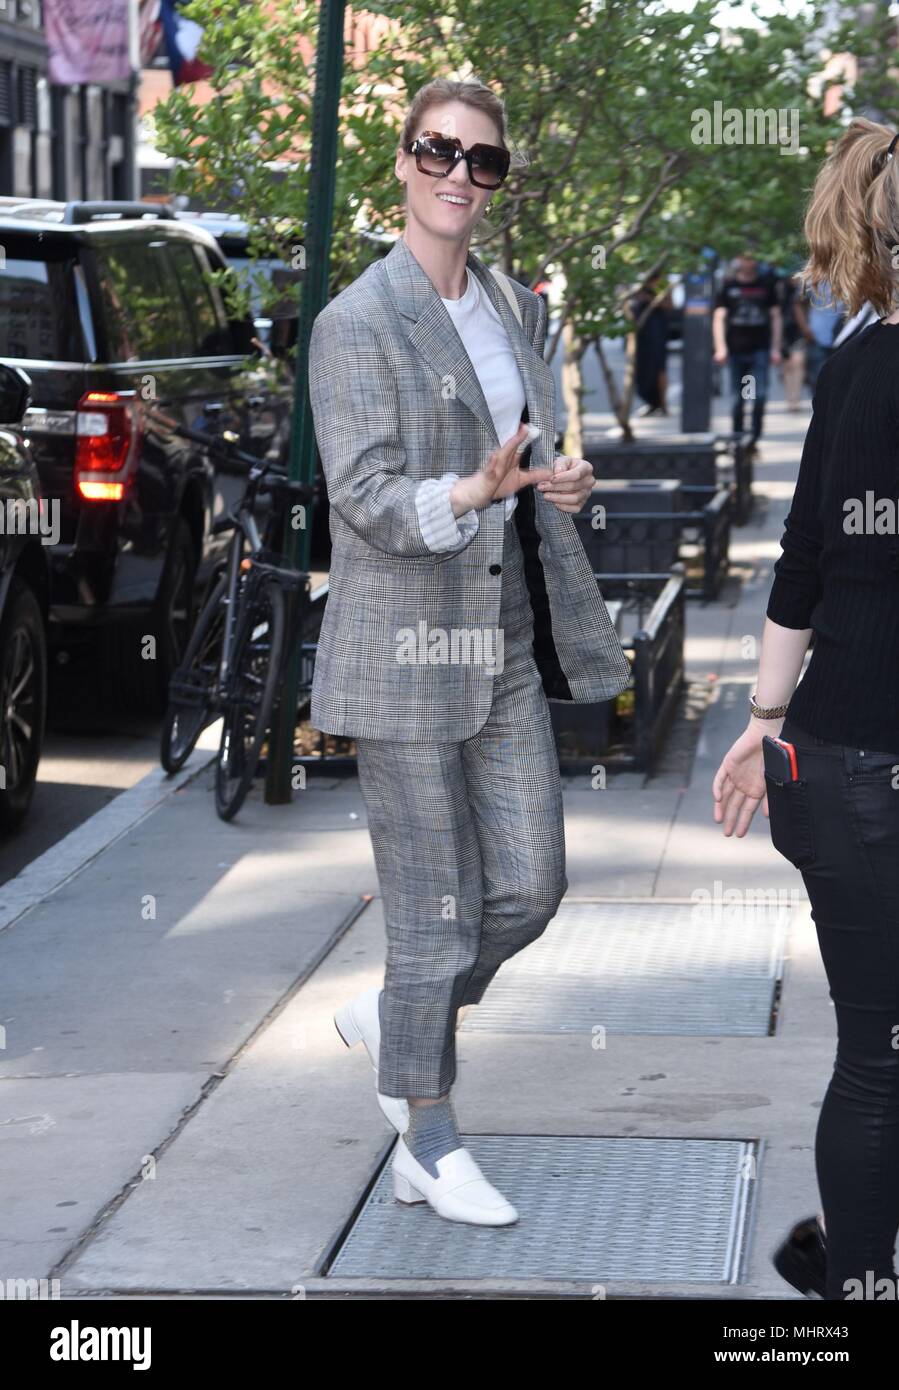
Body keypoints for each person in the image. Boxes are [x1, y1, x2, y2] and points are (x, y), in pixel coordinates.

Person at [308, 77, 631, 1226]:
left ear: (497, 182)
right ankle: (428, 1140)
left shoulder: (511, 306)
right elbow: (362, 498)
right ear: (401, 163)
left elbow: (524, 449)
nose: (458, 173)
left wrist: (554, 480)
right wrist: (471, 487)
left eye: (481, 160)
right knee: (435, 910)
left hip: (499, 637)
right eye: (438, 151)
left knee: (532, 885)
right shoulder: (355, 320)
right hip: (399, 649)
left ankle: (396, 1014)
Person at [711, 116, 899, 1300]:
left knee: (872, 1050)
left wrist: (761, 720)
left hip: (830, 756)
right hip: (859, 767)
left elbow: (802, 562)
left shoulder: (847, 362)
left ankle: (856, 1279)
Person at [712, 253, 782, 460]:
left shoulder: (766, 285)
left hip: (760, 349)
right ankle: (739, 440)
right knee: (738, 399)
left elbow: (776, 317)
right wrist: (720, 347)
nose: (748, 262)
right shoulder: (728, 286)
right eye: (744, 258)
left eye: (752, 258)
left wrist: (776, 348)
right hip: (736, 350)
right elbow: (719, 317)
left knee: (758, 396)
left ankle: (753, 438)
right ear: (738, 261)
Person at [627, 274, 671, 416]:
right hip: (640, 333)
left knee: (658, 368)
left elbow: (669, 305)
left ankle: (662, 403)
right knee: (641, 369)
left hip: (656, 333)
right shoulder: (637, 285)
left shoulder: (662, 285)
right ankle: (651, 402)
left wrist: (653, 300)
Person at [793, 279, 846, 391]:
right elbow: (798, 304)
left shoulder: (848, 275)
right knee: (818, 382)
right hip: (817, 337)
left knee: (840, 382)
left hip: (843, 338)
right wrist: (805, 329)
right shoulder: (812, 278)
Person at [777, 270, 807, 411]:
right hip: (784, 332)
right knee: (788, 366)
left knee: (798, 363)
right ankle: (791, 398)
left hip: (798, 331)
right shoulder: (780, 290)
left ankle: (796, 398)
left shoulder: (804, 292)